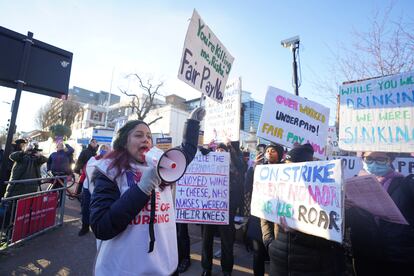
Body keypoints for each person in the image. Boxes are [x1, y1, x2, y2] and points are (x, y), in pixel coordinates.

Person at [89, 107, 205, 275]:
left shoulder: (161, 166)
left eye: (149, 136)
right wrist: (143, 188)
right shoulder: (109, 171)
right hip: (123, 268)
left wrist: (193, 123)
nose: (146, 140)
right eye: (139, 135)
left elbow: (185, 152)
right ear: (124, 142)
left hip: (162, 265)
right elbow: (101, 226)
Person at [261, 143, 345, 276]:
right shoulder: (279, 187)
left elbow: (330, 239)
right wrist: (270, 243)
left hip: (310, 266)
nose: (286, 170)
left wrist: (296, 234)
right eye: (286, 165)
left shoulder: (326, 195)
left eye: (292, 167)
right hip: (279, 262)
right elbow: (264, 215)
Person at [346, 151, 414, 276]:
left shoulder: (406, 184)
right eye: (369, 159)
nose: (373, 163)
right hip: (366, 258)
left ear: (390, 160)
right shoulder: (352, 185)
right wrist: (345, 209)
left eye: (380, 159)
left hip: (400, 259)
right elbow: (347, 223)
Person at [201, 142, 242, 276]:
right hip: (209, 209)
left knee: (227, 242)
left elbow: (241, 167)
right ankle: (206, 268)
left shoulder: (234, 169)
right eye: (217, 149)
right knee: (207, 240)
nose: (219, 151)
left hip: (226, 210)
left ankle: (227, 270)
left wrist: (230, 149)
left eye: (222, 149)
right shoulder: (208, 165)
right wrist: (204, 150)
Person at [245, 143, 284, 276]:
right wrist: (253, 168)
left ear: (279, 154)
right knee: (258, 253)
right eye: (268, 151)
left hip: (278, 220)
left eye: (273, 150)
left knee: (277, 256)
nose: (269, 153)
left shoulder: (286, 169)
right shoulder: (260, 169)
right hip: (259, 218)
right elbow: (247, 187)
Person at [78, 144, 110, 236]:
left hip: (101, 189)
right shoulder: (93, 159)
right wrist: (99, 156)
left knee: (100, 209)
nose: (104, 150)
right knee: (86, 208)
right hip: (88, 187)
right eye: (102, 149)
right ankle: (85, 226)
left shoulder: (111, 161)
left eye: (106, 149)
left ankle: (99, 227)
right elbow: (87, 168)